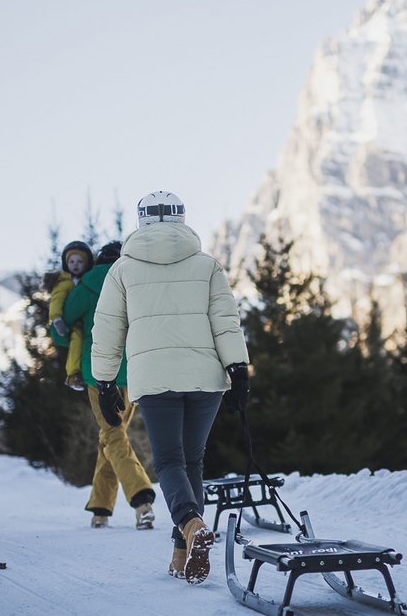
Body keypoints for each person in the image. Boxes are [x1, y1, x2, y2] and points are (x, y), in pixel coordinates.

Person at [91, 190, 250, 585]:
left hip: (156, 379)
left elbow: (108, 329)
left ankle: (191, 525)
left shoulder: (122, 269)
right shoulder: (207, 265)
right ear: (181, 218)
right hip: (206, 378)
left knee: (168, 461)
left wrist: (106, 382)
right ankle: (182, 553)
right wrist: (239, 368)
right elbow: (226, 321)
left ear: (141, 220)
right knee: (192, 459)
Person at [63, 240, 157, 529]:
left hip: (98, 374)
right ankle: (101, 509)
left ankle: (141, 500)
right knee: (112, 435)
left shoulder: (87, 284)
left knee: (113, 436)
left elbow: (63, 325)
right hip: (132, 372)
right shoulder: (134, 280)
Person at [49, 241, 94, 392]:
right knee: (77, 340)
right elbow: (56, 300)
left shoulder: (88, 281)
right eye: (72, 261)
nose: (75, 265)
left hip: (88, 321)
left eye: (80, 261)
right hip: (74, 325)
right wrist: (57, 319)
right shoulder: (64, 283)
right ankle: (73, 374)